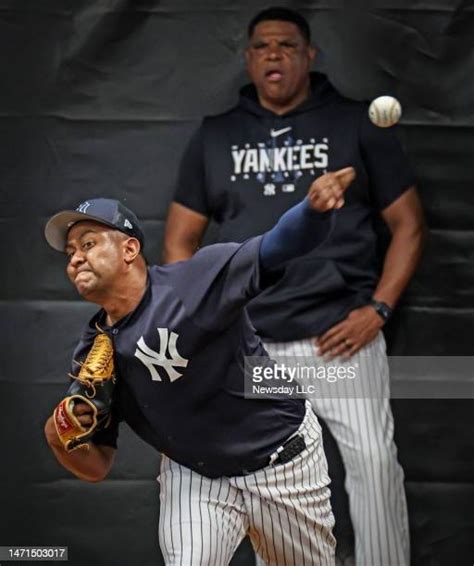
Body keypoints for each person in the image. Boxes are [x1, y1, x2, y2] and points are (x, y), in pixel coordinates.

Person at [163, 7, 425, 566]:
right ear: (249, 59)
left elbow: (409, 224)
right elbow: (180, 240)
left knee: (374, 466)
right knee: (269, 478)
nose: (274, 54)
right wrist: (205, 317)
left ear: (310, 56)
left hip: (340, 334)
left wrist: (378, 309)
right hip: (252, 341)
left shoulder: (356, 124)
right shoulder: (218, 136)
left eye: (286, 44)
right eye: (262, 46)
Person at [43, 172, 354, 566]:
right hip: (197, 476)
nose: (75, 258)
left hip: (282, 460)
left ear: (129, 249)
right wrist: (60, 439)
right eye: (70, 251)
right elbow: (97, 466)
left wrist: (313, 211)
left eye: (88, 244)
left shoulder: (194, 282)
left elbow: (276, 248)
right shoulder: (94, 354)